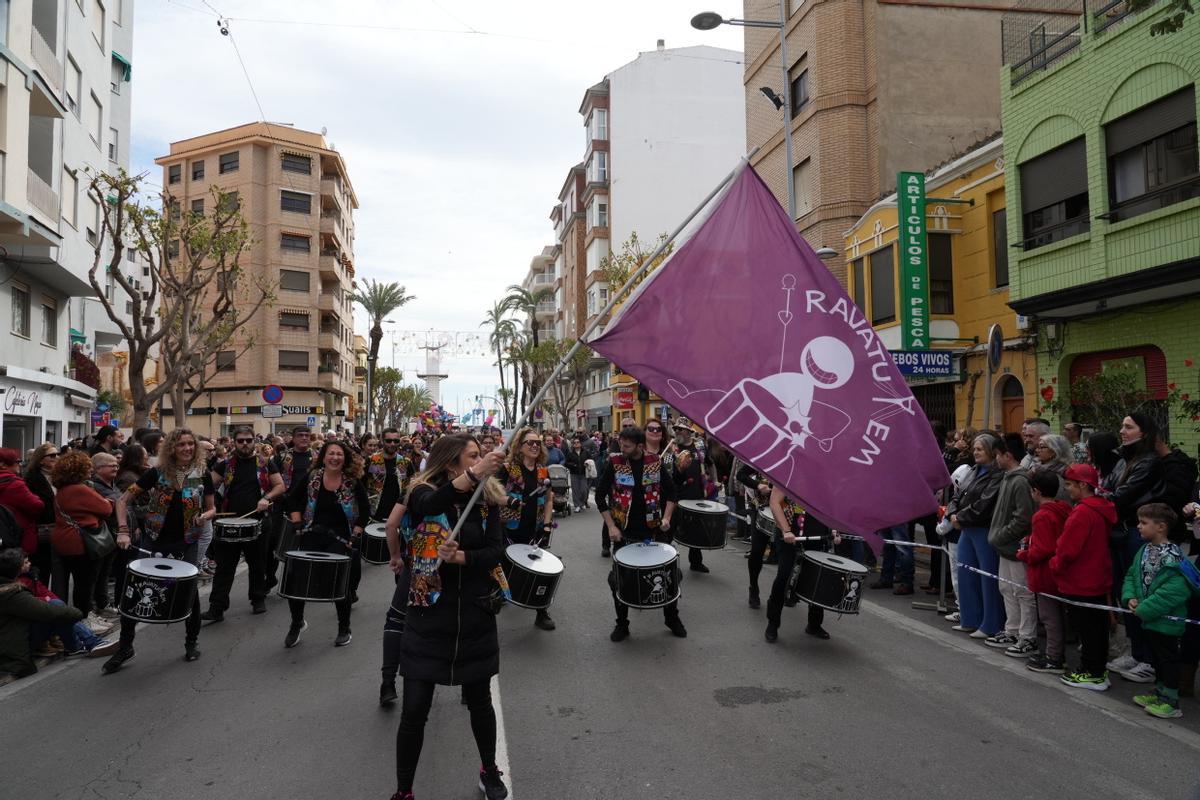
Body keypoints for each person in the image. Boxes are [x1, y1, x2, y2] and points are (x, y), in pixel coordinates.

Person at [391, 434, 508, 800]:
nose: (481, 459)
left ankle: (489, 770)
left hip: (473, 616)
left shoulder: (487, 500)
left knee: (480, 703)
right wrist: (475, 474)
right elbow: (430, 505)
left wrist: (462, 558)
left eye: (481, 455)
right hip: (428, 616)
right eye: (473, 456)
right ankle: (404, 790)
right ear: (452, 461)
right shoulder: (422, 490)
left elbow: (496, 551)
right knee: (414, 710)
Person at [103, 427, 216, 674]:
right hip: (154, 541)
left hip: (187, 542)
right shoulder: (157, 473)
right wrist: (123, 530)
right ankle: (125, 646)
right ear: (171, 448)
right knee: (135, 591)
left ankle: (191, 642)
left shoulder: (202, 474)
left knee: (189, 593)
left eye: (190, 444)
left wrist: (204, 516)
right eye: (181, 444)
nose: (187, 448)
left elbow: (212, 508)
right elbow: (122, 501)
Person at [597, 425, 686, 641]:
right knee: (619, 580)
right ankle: (622, 623)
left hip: (653, 532)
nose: (622, 449)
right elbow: (600, 496)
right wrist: (611, 526)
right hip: (624, 533)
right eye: (621, 444)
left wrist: (666, 517)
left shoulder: (654, 462)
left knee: (669, 576)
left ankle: (671, 617)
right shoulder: (615, 463)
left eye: (626, 446)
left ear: (639, 445)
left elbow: (672, 493)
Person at [283, 440, 369, 648]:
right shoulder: (312, 477)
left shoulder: (352, 482)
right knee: (297, 580)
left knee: (340, 584)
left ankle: (344, 627)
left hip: (341, 538)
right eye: (331, 453)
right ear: (323, 457)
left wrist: (356, 534)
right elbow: (292, 500)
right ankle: (297, 623)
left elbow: (365, 510)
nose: (335, 458)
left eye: (339, 454)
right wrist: (296, 522)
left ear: (345, 459)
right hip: (312, 534)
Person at [202, 427, 285, 622]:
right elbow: (208, 486)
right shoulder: (225, 465)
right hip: (229, 524)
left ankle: (258, 599)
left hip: (258, 521)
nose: (245, 444)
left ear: (254, 441)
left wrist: (266, 498)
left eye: (248, 440)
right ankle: (217, 607)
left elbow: (280, 485)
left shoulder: (265, 463)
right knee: (224, 567)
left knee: (257, 564)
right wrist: (210, 505)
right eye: (241, 441)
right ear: (234, 442)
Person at [1107, 413, 1164, 684]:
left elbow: (1121, 495)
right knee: (1124, 592)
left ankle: (1149, 660)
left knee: (1141, 593)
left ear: (1144, 432)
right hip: (1121, 533)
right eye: (1122, 426)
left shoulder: (1149, 462)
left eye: (1129, 427)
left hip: (1136, 534)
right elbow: (1108, 488)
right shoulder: (1124, 460)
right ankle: (1136, 651)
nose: (1122, 431)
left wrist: (1101, 497)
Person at [1121, 502, 1191, 718]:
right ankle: (1160, 693)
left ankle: (1171, 701)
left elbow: (1175, 591)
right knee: (1157, 658)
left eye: (1143, 523)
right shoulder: (1144, 550)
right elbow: (1132, 575)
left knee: (1168, 659)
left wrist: (1145, 608)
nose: (1138, 526)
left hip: (1167, 621)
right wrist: (1130, 597)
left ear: (1161, 527)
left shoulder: (1174, 556)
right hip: (1149, 618)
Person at [1053, 463, 1116, 691]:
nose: (1067, 489)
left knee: (1088, 629)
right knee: (1096, 629)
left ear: (1082, 485)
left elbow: (1067, 548)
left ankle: (1092, 672)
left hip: (1081, 579)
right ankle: (1097, 670)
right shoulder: (1100, 508)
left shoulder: (1082, 512)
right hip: (1096, 576)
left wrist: (1055, 565)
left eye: (1070, 484)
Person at [49, 451, 115, 636]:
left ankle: (83, 616)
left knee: (77, 583)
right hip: (81, 543)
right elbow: (106, 508)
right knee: (85, 583)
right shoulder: (79, 489)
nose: (90, 470)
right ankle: (84, 619)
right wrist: (106, 502)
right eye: (87, 467)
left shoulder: (62, 489)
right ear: (78, 470)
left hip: (64, 540)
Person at [947, 434, 1004, 638]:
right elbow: (957, 494)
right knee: (965, 573)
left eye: (980, 449)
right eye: (975, 449)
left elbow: (985, 504)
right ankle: (969, 618)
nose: (976, 452)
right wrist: (952, 513)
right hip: (966, 527)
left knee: (987, 577)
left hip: (983, 529)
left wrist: (960, 517)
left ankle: (990, 624)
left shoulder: (997, 475)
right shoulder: (973, 470)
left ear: (991, 451)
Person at [0, 548, 86, 683]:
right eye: (25, 562)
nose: (29, 564)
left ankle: (86, 642)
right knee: (60, 614)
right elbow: (46, 611)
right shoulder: (10, 593)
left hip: (15, 632)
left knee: (57, 606)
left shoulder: (16, 583)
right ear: (17, 569)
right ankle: (79, 645)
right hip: (11, 648)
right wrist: (77, 613)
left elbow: (43, 596)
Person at [985, 433, 1037, 657]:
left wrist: (1001, 535)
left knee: (1022, 591)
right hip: (1005, 546)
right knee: (1006, 588)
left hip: (1016, 547)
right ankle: (1012, 630)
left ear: (1008, 455)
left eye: (998, 455)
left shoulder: (1021, 481)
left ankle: (1028, 637)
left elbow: (1023, 518)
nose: (996, 459)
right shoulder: (1008, 477)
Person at [499, 427, 556, 630]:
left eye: (537, 443)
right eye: (529, 442)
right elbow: (492, 494)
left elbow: (549, 500)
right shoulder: (507, 469)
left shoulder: (543, 471)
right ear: (519, 446)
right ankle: (500, 595)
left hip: (535, 527)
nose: (534, 446)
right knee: (505, 566)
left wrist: (547, 525)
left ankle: (541, 611)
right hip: (510, 528)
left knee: (539, 570)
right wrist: (510, 501)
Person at [764, 486, 836, 642]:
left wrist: (835, 530)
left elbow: (832, 506)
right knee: (784, 576)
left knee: (817, 578)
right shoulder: (790, 474)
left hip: (817, 536)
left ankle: (814, 624)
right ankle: (773, 622)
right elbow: (774, 502)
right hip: (790, 535)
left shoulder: (827, 479)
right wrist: (786, 530)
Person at [1019, 469, 1071, 673]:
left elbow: (1042, 549)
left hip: (1044, 572)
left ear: (1036, 492)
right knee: (1058, 615)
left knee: (1050, 617)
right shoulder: (1063, 509)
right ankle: (1055, 654)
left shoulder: (1042, 515)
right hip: (1059, 571)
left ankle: (1054, 657)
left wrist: (1024, 554)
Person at [664, 418, 714, 573]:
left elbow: (710, 463)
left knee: (695, 529)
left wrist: (715, 481)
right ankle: (663, 559)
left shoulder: (699, 446)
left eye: (680, 429)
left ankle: (696, 562)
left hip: (696, 493)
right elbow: (666, 471)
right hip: (676, 495)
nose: (677, 431)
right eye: (675, 429)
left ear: (689, 431)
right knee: (669, 527)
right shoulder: (670, 447)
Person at [269, 426, 316, 587]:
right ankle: (270, 578)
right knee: (276, 543)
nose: (304, 438)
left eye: (307, 435)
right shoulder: (282, 457)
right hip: (283, 506)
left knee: (302, 546)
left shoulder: (317, 457)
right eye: (300, 435)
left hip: (308, 508)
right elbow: (272, 480)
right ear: (293, 438)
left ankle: (295, 582)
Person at [89, 453, 123, 620]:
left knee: (105, 572)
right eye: (111, 465)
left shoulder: (113, 485)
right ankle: (95, 607)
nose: (116, 467)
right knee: (96, 574)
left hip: (113, 535)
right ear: (98, 468)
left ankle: (102, 604)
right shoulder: (94, 487)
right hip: (102, 536)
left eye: (116, 464)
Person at [737, 461, 772, 609]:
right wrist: (758, 485)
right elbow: (740, 475)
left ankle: (787, 590)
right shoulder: (763, 457)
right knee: (757, 550)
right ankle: (754, 587)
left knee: (787, 554)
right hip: (760, 509)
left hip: (786, 512)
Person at [23, 444, 58, 585]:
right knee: (42, 569)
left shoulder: (60, 476)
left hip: (59, 528)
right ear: (41, 460)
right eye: (52, 455)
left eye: (57, 454)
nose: (56, 458)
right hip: (42, 529)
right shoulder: (31, 479)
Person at [0, 449, 45, 559]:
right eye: (17, 462)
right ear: (3, 465)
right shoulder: (15, 484)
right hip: (18, 538)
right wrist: (36, 496)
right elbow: (37, 506)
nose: (19, 465)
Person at [563, 435, 590, 513]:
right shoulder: (570, 453)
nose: (576, 444)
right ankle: (577, 505)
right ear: (573, 444)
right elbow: (566, 463)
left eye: (578, 442)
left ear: (581, 444)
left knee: (584, 490)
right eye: (574, 443)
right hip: (574, 473)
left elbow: (591, 460)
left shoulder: (585, 452)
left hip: (584, 473)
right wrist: (573, 465)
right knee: (575, 490)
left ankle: (582, 502)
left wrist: (587, 463)